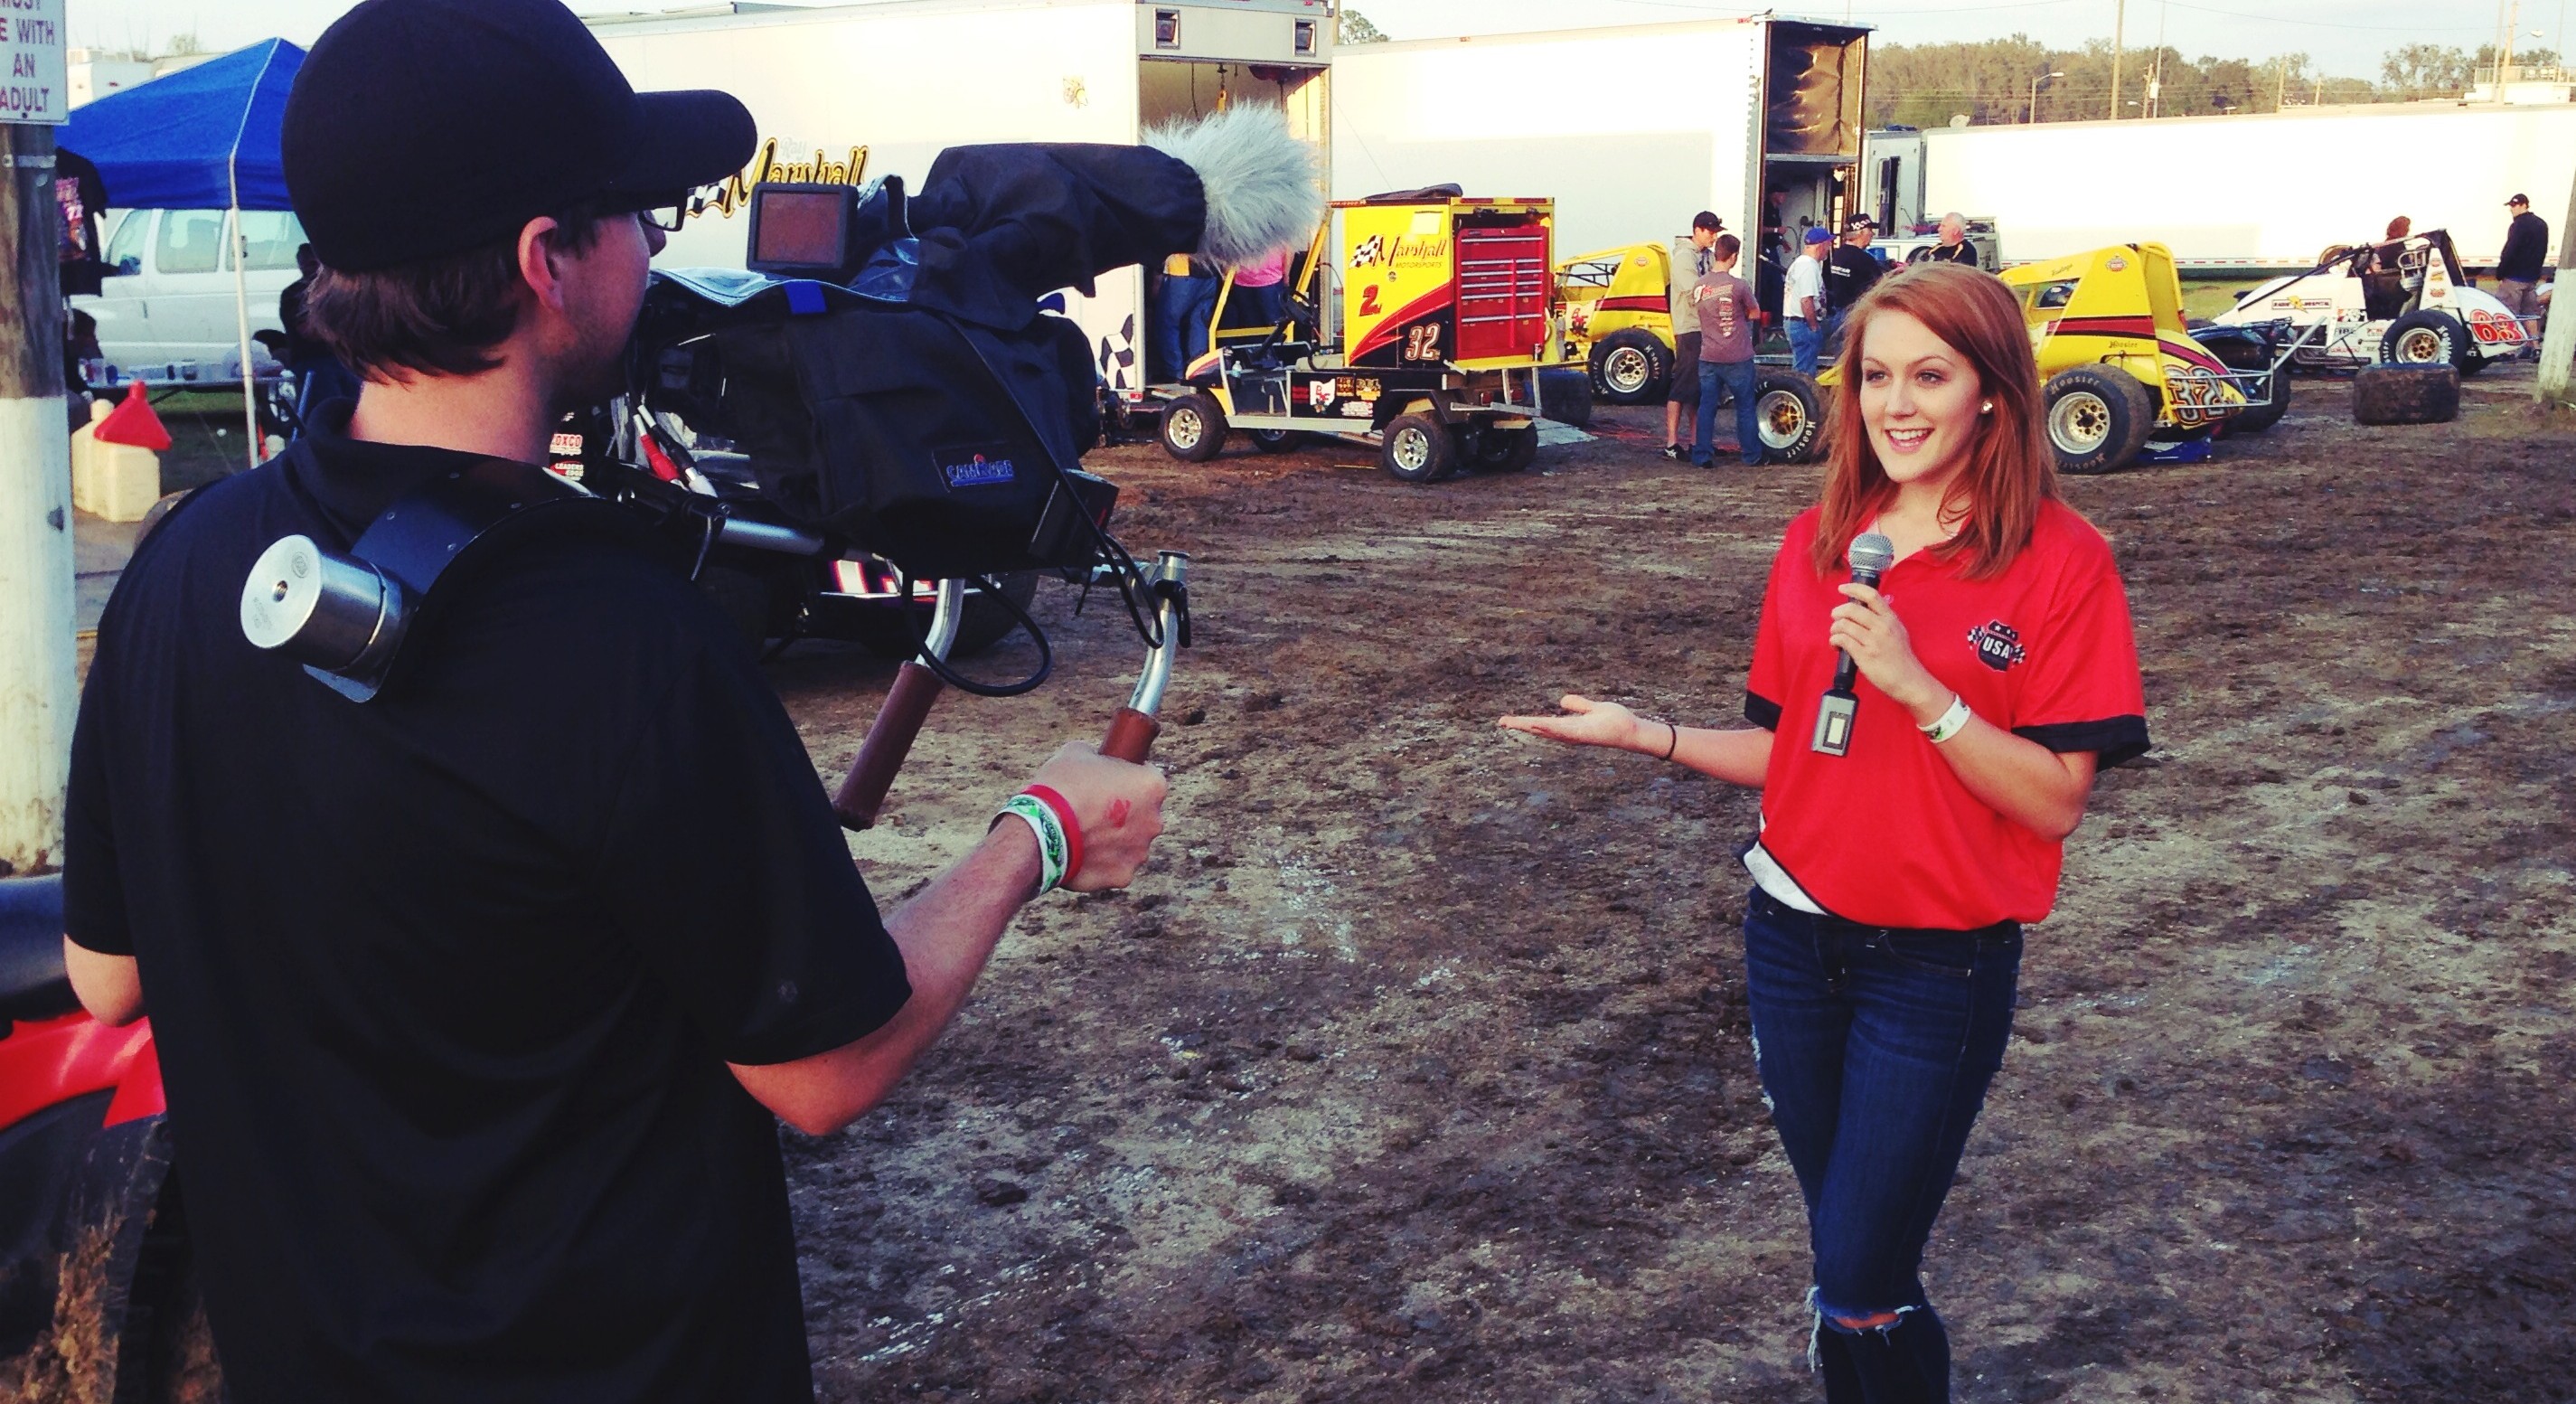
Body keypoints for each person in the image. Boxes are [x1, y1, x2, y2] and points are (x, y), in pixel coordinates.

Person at [58, 1, 1170, 1399]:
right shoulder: (621, 637)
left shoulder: (185, 563)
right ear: (545, 261)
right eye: (637, 215)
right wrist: (1041, 831)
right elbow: (822, 1067)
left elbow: (112, 973)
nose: (654, 248)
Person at [1500, 260, 2148, 1403]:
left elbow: (2054, 798)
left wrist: (1923, 688)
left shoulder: (2062, 560)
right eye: (1876, 375)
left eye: (1931, 375)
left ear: (1993, 390)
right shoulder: (1818, 541)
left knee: (1857, 1270)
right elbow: (1790, 747)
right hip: (1790, 944)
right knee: (1858, 1253)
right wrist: (1643, 733)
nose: (1897, 404)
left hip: (1936, 969)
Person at [1691, 232, 1764, 468]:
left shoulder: (1699, 285)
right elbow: (1755, 313)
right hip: (1737, 355)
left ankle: (1701, 454)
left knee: (1707, 406)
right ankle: (1751, 455)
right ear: (1733, 257)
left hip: (1708, 355)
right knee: (1744, 406)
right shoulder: (1738, 286)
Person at [277, 242, 363, 429]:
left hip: (343, 359)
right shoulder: (293, 294)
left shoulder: (337, 291)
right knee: (329, 403)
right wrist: (339, 329)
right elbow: (308, 331)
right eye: (308, 263)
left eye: (316, 262)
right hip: (312, 361)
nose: (313, 267)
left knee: (359, 403)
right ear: (300, 264)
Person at [1664, 211, 1723, 460]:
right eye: (1710, 232)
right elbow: (1694, 291)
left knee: (1700, 388)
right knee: (1683, 384)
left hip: (1705, 328)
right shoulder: (1683, 257)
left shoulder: (1706, 256)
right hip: (1689, 328)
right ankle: (1672, 442)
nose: (1713, 237)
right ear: (1697, 230)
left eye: (1715, 232)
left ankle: (1698, 440)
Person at [1824, 215, 1884, 353]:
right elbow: (1881, 286)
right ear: (1861, 233)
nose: (1872, 234)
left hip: (1838, 313)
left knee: (1841, 357)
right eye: (1870, 230)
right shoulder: (1863, 259)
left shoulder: (1838, 254)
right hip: (1856, 314)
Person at [2496, 193, 2550, 342]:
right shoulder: (2541, 224)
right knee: (2530, 313)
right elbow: (2542, 250)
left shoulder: (2518, 225)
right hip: (2531, 278)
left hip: (2514, 278)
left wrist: (2501, 273)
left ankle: (2509, 349)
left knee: (2506, 312)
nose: (2511, 209)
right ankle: (2535, 346)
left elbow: (2510, 250)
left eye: (2514, 205)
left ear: (2524, 205)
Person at [1785, 226, 1832, 375]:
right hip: (1803, 324)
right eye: (1828, 244)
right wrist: (1813, 327)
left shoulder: (1799, 263)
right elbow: (1806, 300)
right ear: (1821, 245)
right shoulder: (1809, 266)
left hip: (1796, 322)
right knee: (1804, 373)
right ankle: (1799, 397)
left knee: (1802, 366)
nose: (1829, 249)